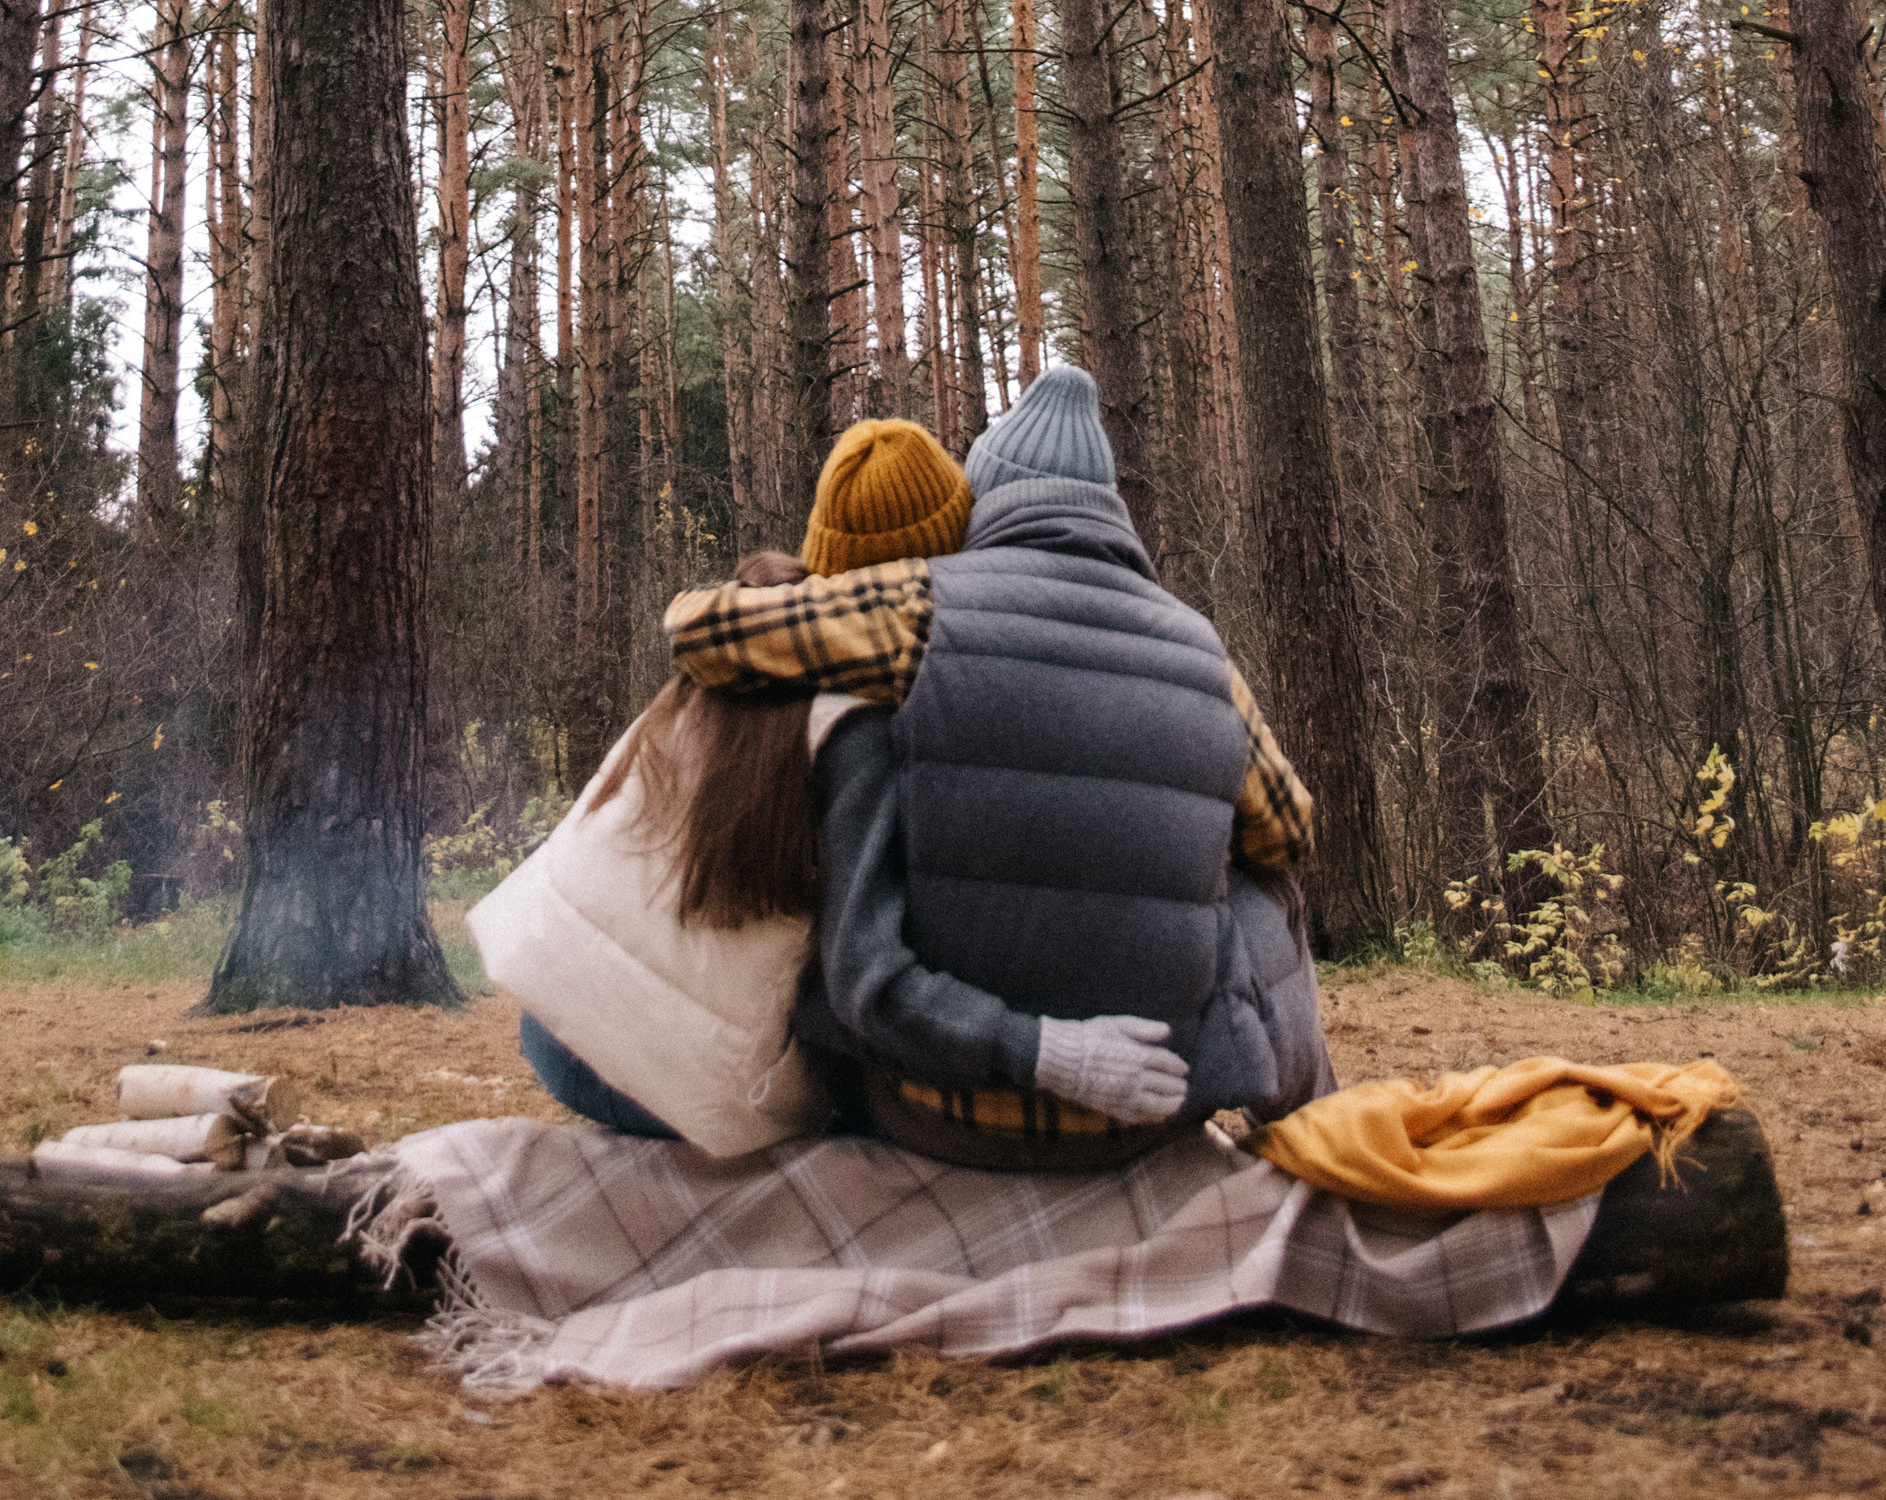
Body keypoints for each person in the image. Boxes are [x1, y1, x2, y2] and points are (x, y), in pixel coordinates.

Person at [663, 364, 1331, 1169]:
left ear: (987, 497)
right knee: (1260, 870)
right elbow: (1290, 830)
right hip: (1145, 1120)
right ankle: (1302, 1109)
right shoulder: (1203, 651)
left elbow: (700, 634)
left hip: (939, 1111)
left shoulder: (919, 604)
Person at [467, 417, 1190, 1157]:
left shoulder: (740, 646)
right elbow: (868, 987)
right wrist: (1045, 1051)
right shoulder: (864, 729)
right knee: (871, 1086)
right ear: (941, 563)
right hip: (661, 1083)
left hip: (550, 1024)